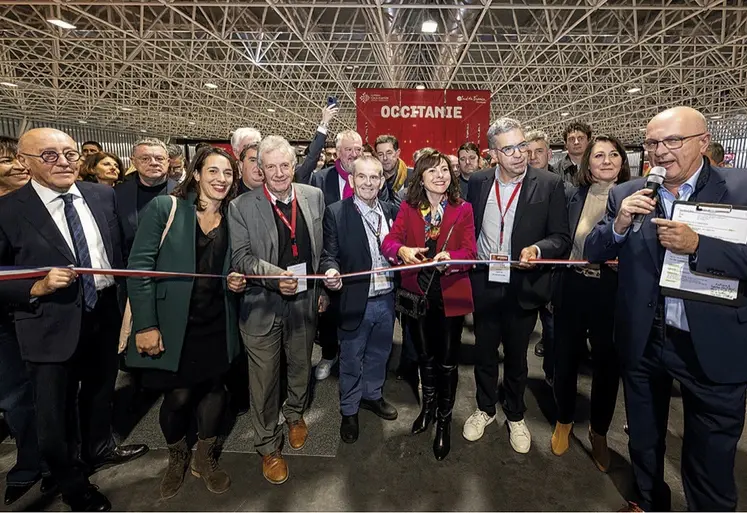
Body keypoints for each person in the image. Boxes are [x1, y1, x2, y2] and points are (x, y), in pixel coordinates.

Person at [586, 106, 747, 512]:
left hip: (712, 344)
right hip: (644, 341)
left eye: (673, 140)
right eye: (653, 142)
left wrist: (700, 247)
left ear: (702, 141)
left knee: (709, 457)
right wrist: (618, 224)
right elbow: (594, 250)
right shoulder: (629, 193)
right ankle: (647, 500)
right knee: (644, 438)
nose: (661, 151)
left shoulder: (741, 188)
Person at [0, 128, 147, 512]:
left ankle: (99, 448)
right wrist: (35, 287)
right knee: (54, 411)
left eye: (69, 153)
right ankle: (71, 482)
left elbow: (117, 250)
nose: (64, 162)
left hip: (103, 310)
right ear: (24, 162)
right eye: (49, 155)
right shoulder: (9, 209)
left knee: (100, 390)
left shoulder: (102, 195)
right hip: (47, 322)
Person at [125, 147, 244, 499]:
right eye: (214, 171)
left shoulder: (232, 217)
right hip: (173, 324)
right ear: (195, 174)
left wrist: (235, 279)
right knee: (177, 396)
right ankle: (177, 454)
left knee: (214, 391)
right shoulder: (167, 208)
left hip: (215, 320)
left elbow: (229, 266)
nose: (221, 179)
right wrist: (146, 325)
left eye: (228, 174)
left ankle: (204, 456)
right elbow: (138, 268)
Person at [463, 117, 570, 454]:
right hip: (484, 281)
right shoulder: (478, 182)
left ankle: (515, 412)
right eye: (508, 148)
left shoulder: (549, 184)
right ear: (493, 153)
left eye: (521, 145)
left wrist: (538, 250)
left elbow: (561, 237)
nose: (519, 154)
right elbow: (468, 226)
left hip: (524, 284)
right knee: (484, 351)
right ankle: (484, 408)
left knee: (517, 357)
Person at [228, 135, 327, 485]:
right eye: (271, 166)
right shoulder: (241, 206)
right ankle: (268, 444)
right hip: (261, 304)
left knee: (301, 364)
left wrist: (322, 283)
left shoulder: (313, 196)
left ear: (294, 164)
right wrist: (276, 277)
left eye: (285, 165)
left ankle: (295, 413)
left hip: (304, 299)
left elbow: (322, 247)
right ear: (260, 170)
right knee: (264, 380)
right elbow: (241, 257)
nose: (280, 172)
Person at [382, 149, 477, 460]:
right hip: (418, 294)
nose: (441, 175)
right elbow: (389, 242)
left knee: (448, 362)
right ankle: (429, 407)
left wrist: (453, 258)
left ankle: (445, 422)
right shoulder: (409, 209)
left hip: (451, 293)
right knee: (424, 356)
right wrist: (403, 251)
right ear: (419, 178)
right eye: (433, 171)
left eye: (445, 170)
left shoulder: (463, 209)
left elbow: (471, 252)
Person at [551, 135, 631, 471]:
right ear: (588, 163)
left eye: (614, 154)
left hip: (612, 291)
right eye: (599, 155)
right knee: (565, 359)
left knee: (607, 365)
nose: (607, 160)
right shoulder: (573, 196)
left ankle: (599, 432)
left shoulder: (635, 197)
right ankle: (564, 420)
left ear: (623, 162)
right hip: (573, 286)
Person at [321, 155, 399, 444]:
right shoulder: (337, 212)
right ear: (352, 180)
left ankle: (372, 395)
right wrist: (331, 269)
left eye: (374, 177)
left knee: (380, 354)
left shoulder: (392, 211)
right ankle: (349, 410)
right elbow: (329, 253)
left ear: (382, 181)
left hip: (387, 298)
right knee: (352, 358)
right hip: (356, 299)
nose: (368, 182)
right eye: (362, 177)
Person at [0, 137, 54, 506]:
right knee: (17, 397)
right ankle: (29, 464)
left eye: (20, 159)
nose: (19, 166)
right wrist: (31, 288)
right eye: (7, 161)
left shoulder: (46, 205)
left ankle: (60, 462)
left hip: (47, 315)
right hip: (6, 319)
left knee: (53, 393)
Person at [115, 138, 178, 264]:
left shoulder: (185, 194)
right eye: (145, 159)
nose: (153, 163)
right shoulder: (117, 193)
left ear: (168, 161)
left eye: (159, 158)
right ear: (133, 161)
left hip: (174, 272)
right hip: (131, 271)